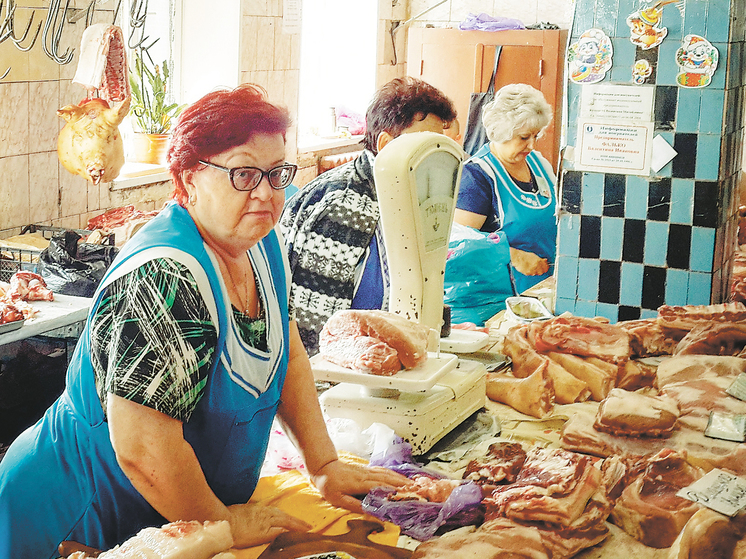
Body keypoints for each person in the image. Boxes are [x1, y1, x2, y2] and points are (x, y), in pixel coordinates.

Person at [0, 84, 408, 559]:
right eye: (243, 174)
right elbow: (141, 446)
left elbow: (287, 352)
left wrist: (323, 463)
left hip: (179, 517)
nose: (265, 193)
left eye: (277, 174)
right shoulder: (165, 276)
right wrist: (223, 522)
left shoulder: (259, 241)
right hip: (80, 512)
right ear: (189, 178)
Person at [280, 77, 457, 354]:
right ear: (386, 143)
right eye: (424, 142)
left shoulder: (408, 189)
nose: (432, 154)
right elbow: (316, 332)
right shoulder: (342, 206)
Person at [454, 83, 557, 295]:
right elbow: (458, 245)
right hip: (499, 300)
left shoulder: (539, 164)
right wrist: (515, 256)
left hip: (544, 290)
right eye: (524, 137)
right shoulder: (476, 177)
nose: (531, 145)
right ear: (502, 131)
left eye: (535, 136)